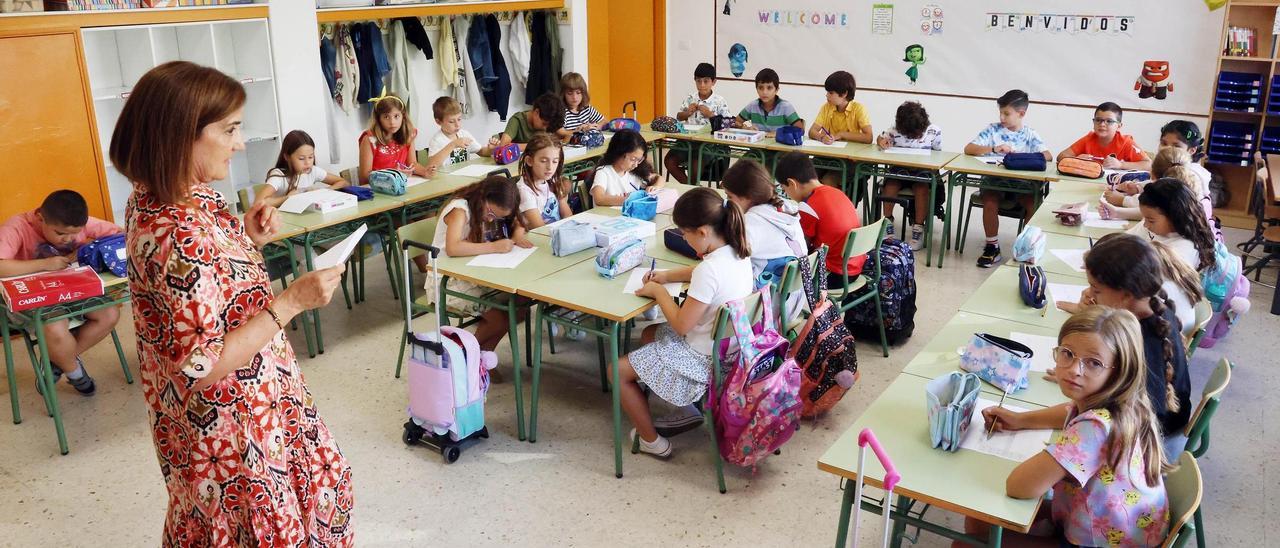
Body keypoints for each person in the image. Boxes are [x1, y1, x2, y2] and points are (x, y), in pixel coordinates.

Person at [113, 61, 352, 544]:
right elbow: (203, 363)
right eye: (230, 129)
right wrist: (291, 303)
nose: (241, 143)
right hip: (233, 425)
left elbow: (199, 285)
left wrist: (246, 237)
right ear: (182, 134)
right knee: (264, 527)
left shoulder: (167, 197)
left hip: (248, 405)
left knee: (317, 489)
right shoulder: (175, 230)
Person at [970, 306, 1171, 547]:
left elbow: (1019, 487)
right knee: (981, 522)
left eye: (1094, 363)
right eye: (1067, 353)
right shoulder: (1124, 402)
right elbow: (1069, 410)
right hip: (1130, 530)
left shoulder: (1094, 428)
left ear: (1120, 371)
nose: (1074, 369)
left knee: (971, 534)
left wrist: (1049, 459)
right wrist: (1020, 419)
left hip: (1102, 542)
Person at [611, 187, 753, 457]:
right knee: (651, 334)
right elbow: (700, 271)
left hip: (704, 360)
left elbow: (681, 326)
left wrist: (659, 292)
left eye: (684, 234)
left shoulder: (709, 270)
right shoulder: (737, 251)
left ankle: (652, 442)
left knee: (616, 371)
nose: (684, 240)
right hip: (732, 352)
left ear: (702, 232)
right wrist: (665, 275)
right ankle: (683, 410)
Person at [1056, 233, 1193, 457]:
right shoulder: (1154, 310)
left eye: (1096, 289)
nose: (1089, 293)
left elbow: (1112, 417)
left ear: (1126, 295)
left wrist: (1083, 375)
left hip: (1147, 446)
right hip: (1149, 427)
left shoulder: (1143, 345)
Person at [0, 190, 123, 396]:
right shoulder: (17, 226)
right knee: (56, 327)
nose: (68, 239)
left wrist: (85, 248)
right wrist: (45, 264)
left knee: (109, 314)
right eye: (60, 233)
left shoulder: (75, 223)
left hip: (74, 288)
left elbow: (119, 234)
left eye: (75, 233)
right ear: (40, 217)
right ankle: (74, 372)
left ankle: (55, 362)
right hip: (34, 296)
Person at [429, 176, 533, 354]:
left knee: (521, 302)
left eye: (498, 217)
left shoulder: (492, 206)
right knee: (500, 318)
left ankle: (483, 357)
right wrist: (494, 247)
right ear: (483, 196)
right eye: (491, 214)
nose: (491, 220)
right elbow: (453, 248)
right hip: (445, 281)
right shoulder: (460, 209)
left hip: (474, 274)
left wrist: (516, 237)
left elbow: (519, 222)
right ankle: (465, 357)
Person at [963, 89, 1051, 268]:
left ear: (1021, 114)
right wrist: (994, 149)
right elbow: (969, 148)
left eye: (1006, 113)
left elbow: (1048, 156)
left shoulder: (1030, 134)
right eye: (1001, 113)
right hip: (995, 182)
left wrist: (1021, 158)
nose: (1002, 118)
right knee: (989, 199)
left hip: (1021, 184)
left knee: (1033, 203)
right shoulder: (993, 130)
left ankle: (1027, 248)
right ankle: (992, 247)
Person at [775, 151, 864, 288]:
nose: (786, 194)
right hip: (854, 267)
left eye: (784, 189)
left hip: (833, 274)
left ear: (792, 184)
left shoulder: (808, 206)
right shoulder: (837, 193)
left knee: (778, 271)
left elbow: (800, 248)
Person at [721, 159, 804, 284]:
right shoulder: (784, 207)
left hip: (765, 300)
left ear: (748, 196)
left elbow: (719, 269)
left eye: (730, 196)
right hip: (793, 297)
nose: (728, 202)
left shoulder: (751, 223)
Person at [875, 101, 943, 250]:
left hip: (921, 172)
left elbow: (938, 155)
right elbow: (880, 139)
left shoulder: (933, 131)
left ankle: (918, 227)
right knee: (890, 186)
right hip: (899, 170)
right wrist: (882, 142)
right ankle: (887, 222)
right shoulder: (895, 130)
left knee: (922, 189)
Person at [665, 62, 732, 185]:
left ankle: (693, 189)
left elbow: (727, 124)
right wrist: (687, 112)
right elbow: (679, 117)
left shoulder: (719, 101)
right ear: (695, 80)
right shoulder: (691, 97)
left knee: (695, 164)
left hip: (709, 143)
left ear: (714, 82)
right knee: (669, 161)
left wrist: (711, 115)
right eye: (698, 81)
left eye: (706, 81)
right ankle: (692, 188)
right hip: (687, 140)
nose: (702, 85)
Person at [1130, 179, 1217, 272]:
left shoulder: (1184, 250)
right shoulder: (1157, 227)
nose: (1145, 225)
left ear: (1175, 217)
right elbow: (1126, 239)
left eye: (1150, 221)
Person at [257, 130, 349, 208]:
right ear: (287, 157)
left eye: (311, 157)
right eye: (301, 158)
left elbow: (344, 182)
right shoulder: (279, 176)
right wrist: (287, 199)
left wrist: (322, 192)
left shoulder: (312, 171)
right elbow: (259, 203)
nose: (308, 163)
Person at [358, 94, 434, 184]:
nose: (392, 122)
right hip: (378, 191)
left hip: (401, 186)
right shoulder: (369, 139)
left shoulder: (408, 135)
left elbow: (412, 163)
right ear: (379, 119)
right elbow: (364, 178)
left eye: (396, 116)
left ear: (403, 116)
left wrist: (425, 171)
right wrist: (393, 174)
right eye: (386, 117)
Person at [1056, 102, 1152, 171]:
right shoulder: (1089, 139)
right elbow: (1061, 156)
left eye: (1109, 121)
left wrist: (1120, 164)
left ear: (1119, 126)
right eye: (1098, 120)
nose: (1102, 124)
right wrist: (1077, 160)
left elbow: (1149, 165)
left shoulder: (1126, 142)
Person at [590, 129, 661, 207]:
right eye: (633, 159)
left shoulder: (634, 171)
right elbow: (599, 199)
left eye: (639, 160)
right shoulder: (604, 172)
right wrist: (631, 200)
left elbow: (659, 178)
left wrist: (655, 187)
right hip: (608, 216)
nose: (636, 165)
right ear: (619, 153)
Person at [516, 133, 571, 229]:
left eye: (555, 161)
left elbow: (567, 215)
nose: (550, 167)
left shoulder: (552, 180)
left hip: (557, 235)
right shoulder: (524, 190)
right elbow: (540, 228)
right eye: (543, 161)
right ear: (529, 161)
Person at [425, 96, 493, 169]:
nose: (457, 125)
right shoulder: (437, 140)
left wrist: (492, 149)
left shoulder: (464, 134)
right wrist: (453, 144)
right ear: (438, 122)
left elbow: (481, 151)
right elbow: (431, 165)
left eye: (459, 119)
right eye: (451, 121)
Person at [809, 70, 872, 145]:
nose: (827, 95)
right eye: (827, 92)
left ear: (844, 93)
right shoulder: (826, 107)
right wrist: (822, 137)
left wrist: (842, 134)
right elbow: (812, 131)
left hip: (850, 154)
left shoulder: (859, 109)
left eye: (831, 93)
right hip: (828, 152)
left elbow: (869, 138)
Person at [734, 68, 803, 134]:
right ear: (756, 89)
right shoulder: (753, 105)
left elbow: (800, 129)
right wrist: (746, 128)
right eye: (760, 88)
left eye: (769, 88)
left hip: (778, 145)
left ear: (776, 90)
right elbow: (735, 122)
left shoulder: (786, 107)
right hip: (757, 145)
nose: (764, 92)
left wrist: (778, 133)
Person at [493, 92, 565, 150]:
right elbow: (503, 145)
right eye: (544, 124)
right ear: (537, 112)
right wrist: (536, 145)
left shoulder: (548, 123)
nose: (545, 129)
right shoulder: (518, 119)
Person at [556, 72, 604, 139]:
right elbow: (560, 132)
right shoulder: (561, 111)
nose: (574, 97)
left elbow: (603, 121)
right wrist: (579, 131)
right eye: (570, 93)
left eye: (578, 93)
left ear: (583, 93)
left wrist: (595, 127)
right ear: (563, 94)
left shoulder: (587, 108)